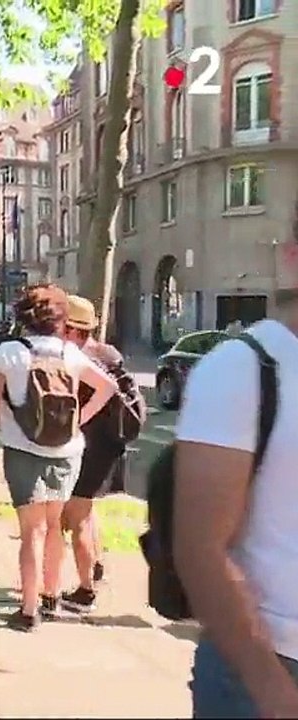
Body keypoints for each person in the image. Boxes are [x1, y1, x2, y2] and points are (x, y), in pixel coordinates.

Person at [175, 254, 298, 717]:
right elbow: (200, 550)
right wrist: (271, 688)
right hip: (267, 669)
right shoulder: (246, 368)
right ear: (293, 255)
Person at [0, 284, 117, 631]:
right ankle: (51, 597)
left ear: (23, 316)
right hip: (67, 452)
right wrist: (78, 419)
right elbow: (108, 387)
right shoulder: (70, 353)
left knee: (31, 532)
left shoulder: (9, 352)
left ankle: (28, 610)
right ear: (59, 320)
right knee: (54, 526)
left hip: (22, 451)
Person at [59, 295, 134, 612]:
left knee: (75, 516)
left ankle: (85, 591)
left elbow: (102, 394)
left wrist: (77, 421)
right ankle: (96, 564)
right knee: (85, 510)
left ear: (73, 329)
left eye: (62, 327)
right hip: (111, 443)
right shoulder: (108, 352)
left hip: (92, 445)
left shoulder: (81, 358)